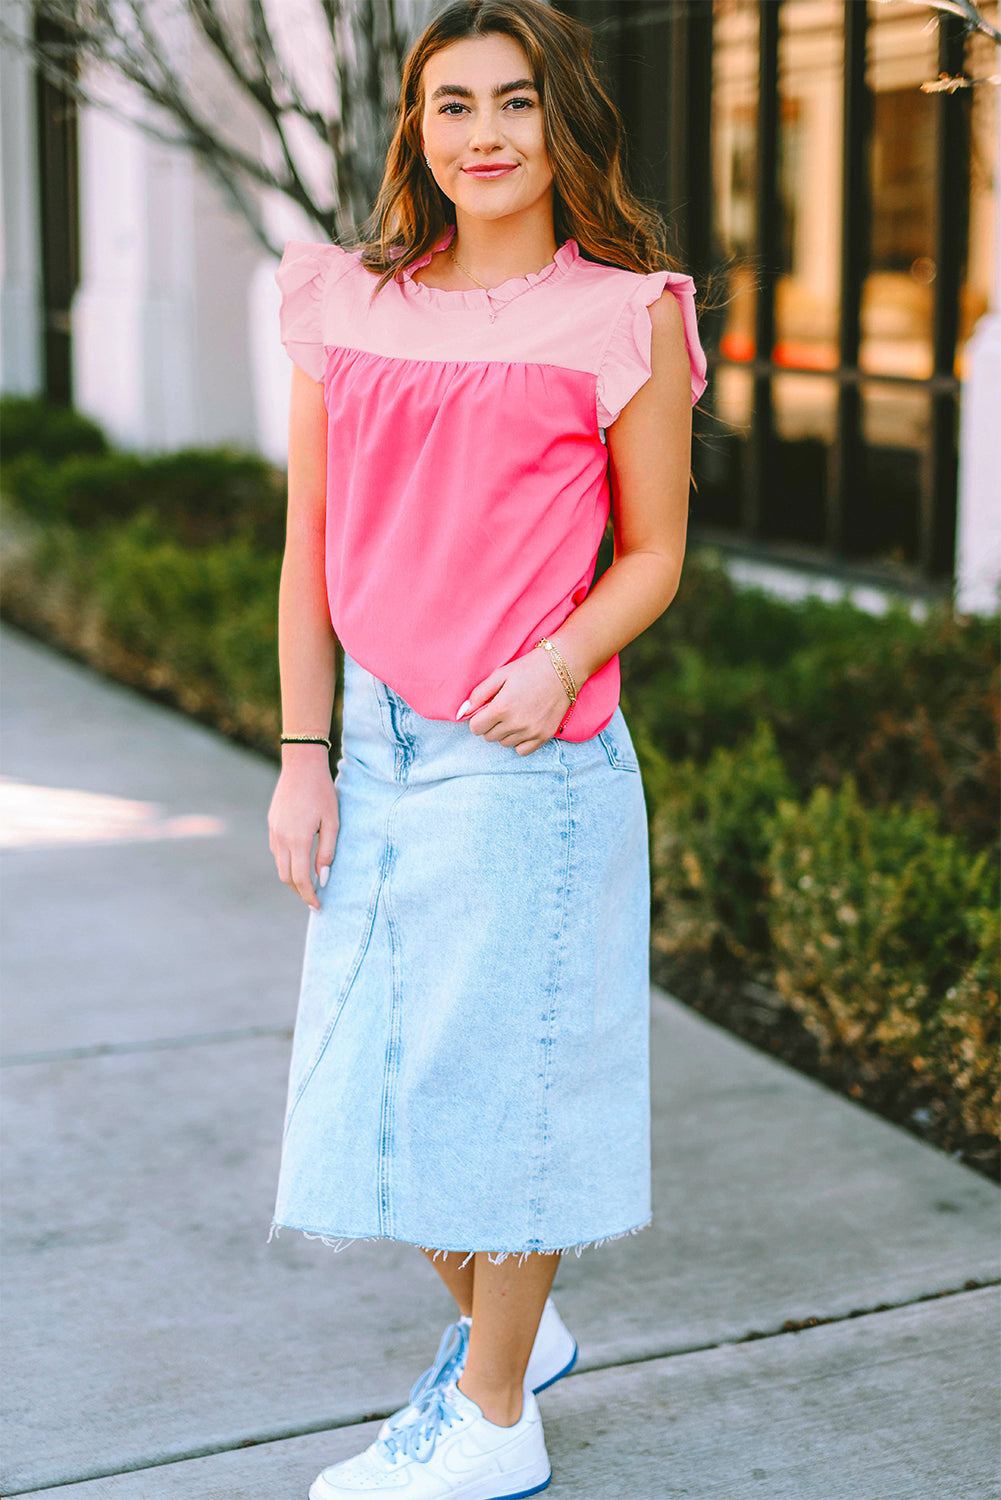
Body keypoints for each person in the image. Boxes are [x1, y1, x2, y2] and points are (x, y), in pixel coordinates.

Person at [267, 1, 706, 1495]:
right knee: (380, 1086)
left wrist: (561, 657)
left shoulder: (626, 309)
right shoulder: (347, 301)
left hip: (522, 745)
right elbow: (306, 554)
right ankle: (519, 1336)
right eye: (449, 106)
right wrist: (302, 754)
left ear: (561, 119)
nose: (482, 135)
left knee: (500, 1082)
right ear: (416, 132)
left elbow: (652, 552)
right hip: (375, 746)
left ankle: (496, 1422)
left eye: (513, 102)